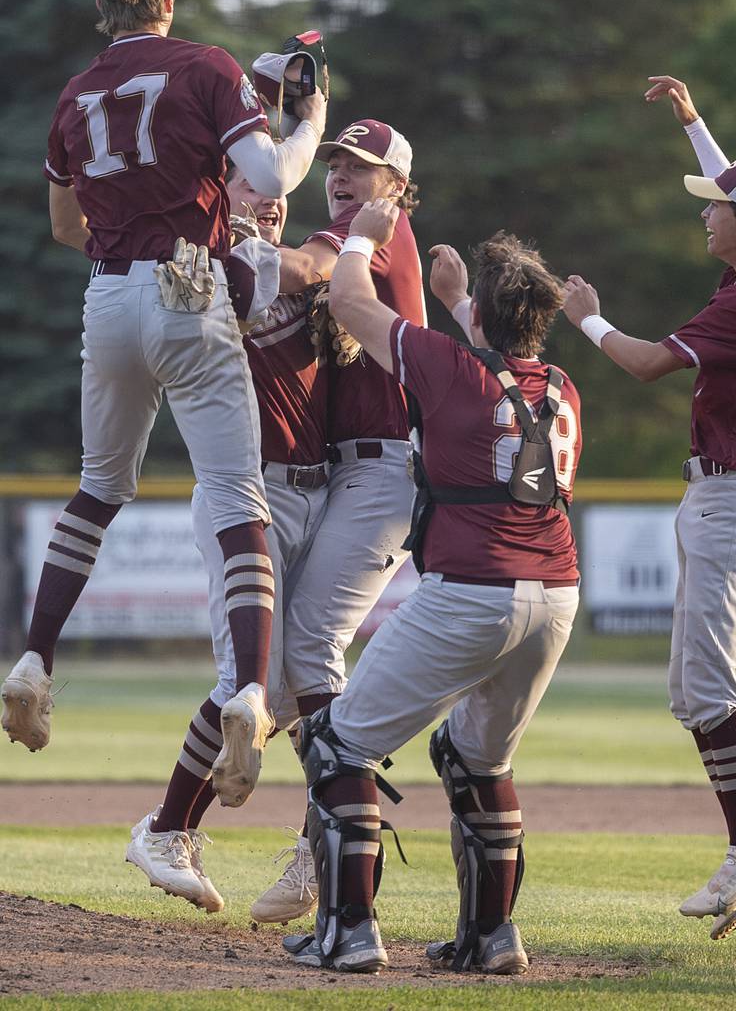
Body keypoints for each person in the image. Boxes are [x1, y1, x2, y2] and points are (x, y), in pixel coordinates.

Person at [0, 0, 326, 812]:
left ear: (103, 5)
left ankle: (34, 658)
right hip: (189, 284)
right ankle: (252, 693)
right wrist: (310, 126)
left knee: (98, 489)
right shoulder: (206, 66)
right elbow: (271, 169)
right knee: (236, 499)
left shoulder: (77, 92)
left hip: (107, 294)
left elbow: (67, 226)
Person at [282, 202, 582, 974]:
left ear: (481, 313)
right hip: (555, 597)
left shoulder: (450, 368)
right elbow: (498, 368)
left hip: (471, 591)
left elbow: (350, 301)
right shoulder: (564, 387)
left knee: (336, 745)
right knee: (477, 760)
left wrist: (361, 239)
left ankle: (347, 933)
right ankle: (493, 938)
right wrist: (460, 304)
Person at [562, 74, 736, 941]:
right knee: (692, 688)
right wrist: (698, 125)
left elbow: (647, 362)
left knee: (707, 686)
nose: (705, 214)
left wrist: (586, 319)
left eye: (715, 208)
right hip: (733, 496)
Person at [125, 169, 332, 912]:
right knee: (243, 684)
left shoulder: (293, 268)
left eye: (278, 188)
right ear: (217, 192)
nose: (270, 197)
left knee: (296, 686)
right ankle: (165, 828)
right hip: (244, 493)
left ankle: (314, 850)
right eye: (250, 184)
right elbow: (300, 264)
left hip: (319, 490)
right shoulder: (205, 266)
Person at [252, 119, 426, 920]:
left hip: (384, 465)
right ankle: (326, 832)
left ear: (396, 183)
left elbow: (306, 268)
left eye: (361, 165)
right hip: (347, 468)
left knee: (308, 646)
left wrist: (214, 251)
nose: (341, 176)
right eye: (334, 164)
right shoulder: (368, 231)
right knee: (290, 655)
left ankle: (333, 839)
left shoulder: (377, 232)